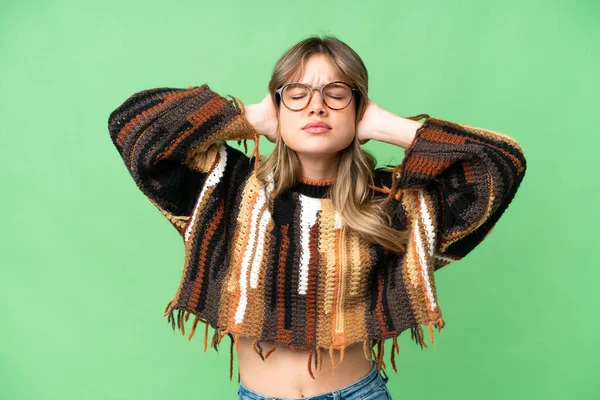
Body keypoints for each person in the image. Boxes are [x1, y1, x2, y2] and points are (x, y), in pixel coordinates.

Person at [107, 35, 527, 400]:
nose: (317, 106)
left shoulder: (392, 202)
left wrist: (387, 124)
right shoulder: (225, 187)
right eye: (297, 93)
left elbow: (499, 166)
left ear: (358, 109)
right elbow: (133, 128)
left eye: (336, 93)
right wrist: (250, 117)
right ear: (277, 106)